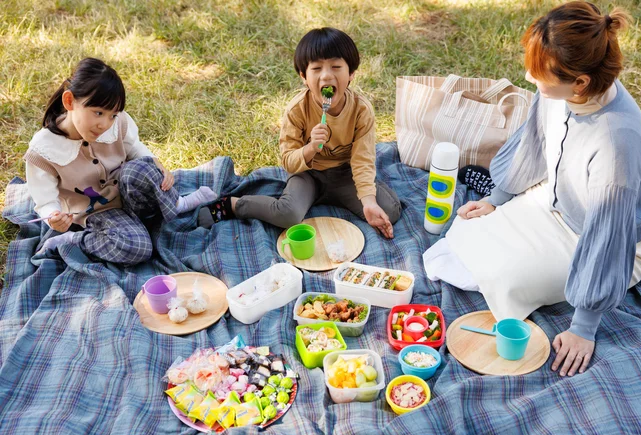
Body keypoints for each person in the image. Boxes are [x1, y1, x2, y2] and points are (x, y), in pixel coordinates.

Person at [423, 2, 641, 376]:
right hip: (555, 198)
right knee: (463, 232)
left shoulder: (617, 143)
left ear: (581, 82)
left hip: (609, 239)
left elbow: (608, 233)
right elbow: (533, 142)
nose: (527, 76)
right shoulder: (563, 90)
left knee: (503, 276)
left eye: (540, 73)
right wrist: (498, 197)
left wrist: (583, 326)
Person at [198, 27, 401, 238]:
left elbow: (363, 159)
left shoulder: (361, 110)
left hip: (344, 174)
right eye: (316, 68)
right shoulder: (297, 109)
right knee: (289, 215)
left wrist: (368, 200)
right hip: (308, 174)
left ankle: (353, 195)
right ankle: (234, 205)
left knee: (390, 211)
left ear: (351, 74)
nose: (326, 75)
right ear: (304, 76)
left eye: (336, 66)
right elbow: (288, 162)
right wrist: (311, 147)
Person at [24, 58, 217, 265]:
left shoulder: (117, 123)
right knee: (138, 249)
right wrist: (54, 217)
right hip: (98, 212)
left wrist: (156, 163)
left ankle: (177, 203)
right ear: (69, 102)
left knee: (144, 166)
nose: (105, 124)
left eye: (112, 115)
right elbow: (45, 201)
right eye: (98, 113)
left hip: (130, 193)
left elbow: (135, 148)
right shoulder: (43, 150)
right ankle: (75, 239)